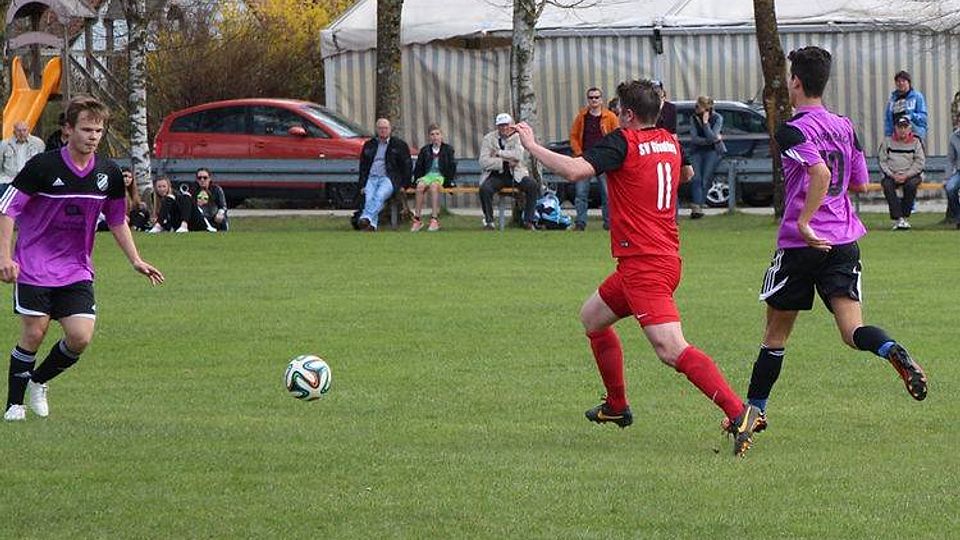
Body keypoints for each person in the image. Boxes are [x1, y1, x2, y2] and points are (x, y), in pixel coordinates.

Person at [514, 79, 763, 457]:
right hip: (658, 259)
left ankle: (738, 412)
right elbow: (685, 177)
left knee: (670, 348)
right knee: (593, 318)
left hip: (645, 264)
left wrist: (532, 146)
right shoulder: (670, 140)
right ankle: (617, 408)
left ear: (627, 114)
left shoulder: (622, 142)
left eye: (619, 112)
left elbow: (576, 171)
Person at [747, 47, 927, 437]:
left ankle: (753, 413)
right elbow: (859, 182)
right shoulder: (846, 126)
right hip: (844, 241)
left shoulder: (791, 128)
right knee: (852, 332)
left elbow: (821, 173)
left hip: (801, 243)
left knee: (775, 337)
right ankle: (891, 348)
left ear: (795, 82)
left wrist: (807, 220)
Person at [0, 95, 164, 422]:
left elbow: (117, 220)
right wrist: (5, 256)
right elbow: (7, 209)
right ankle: (14, 405)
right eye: (86, 129)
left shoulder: (109, 174)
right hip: (34, 263)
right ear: (67, 130)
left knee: (80, 337)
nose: (93, 137)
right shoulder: (43, 167)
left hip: (76, 268)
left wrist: (135, 259)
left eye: (98, 130)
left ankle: (38, 381)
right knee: (34, 333)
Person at [478, 113, 540, 230]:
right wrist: (504, 162)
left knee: (532, 185)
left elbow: (518, 156)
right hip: (496, 174)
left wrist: (498, 153)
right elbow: (483, 161)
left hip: (516, 173)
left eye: (506, 125)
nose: (504, 128)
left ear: (511, 125)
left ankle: (528, 221)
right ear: (497, 127)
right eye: (501, 126)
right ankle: (489, 222)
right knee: (485, 189)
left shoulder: (518, 137)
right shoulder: (488, 138)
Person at [569, 87, 618, 231]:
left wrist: (610, 155)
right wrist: (578, 153)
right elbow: (573, 136)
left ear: (601, 99)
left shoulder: (610, 117)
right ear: (588, 100)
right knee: (581, 193)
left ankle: (609, 222)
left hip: (603, 160)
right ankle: (580, 222)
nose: (594, 100)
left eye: (597, 97)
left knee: (607, 194)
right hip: (585, 160)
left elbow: (617, 136)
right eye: (591, 98)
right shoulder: (582, 116)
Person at [356, 118, 412, 232]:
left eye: (385, 128)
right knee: (369, 198)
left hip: (389, 178)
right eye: (380, 128)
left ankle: (365, 217)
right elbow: (363, 166)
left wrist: (404, 185)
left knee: (380, 195)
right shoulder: (369, 145)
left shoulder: (399, 145)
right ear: (377, 130)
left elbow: (407, 166)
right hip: (371, 178)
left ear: (390, 130)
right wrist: (362, 184)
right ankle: (372, 225)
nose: (383, 131)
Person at [878, 115, 925, 230]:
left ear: (909, 128)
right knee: (887, 185)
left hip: (911, 175)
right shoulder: (887, 142)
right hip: (892, 174)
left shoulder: (916, 142)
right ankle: (898, 218)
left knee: (911, 185)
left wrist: (906, 175)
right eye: (900, 127)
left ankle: (904, 216)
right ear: (895, 128)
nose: (902, 130)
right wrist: (891, 174)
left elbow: (920, 162)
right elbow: (882, 161)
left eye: (905, 127)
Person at [411, 124, 456, 232]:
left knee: (434, 186)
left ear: (441, 136)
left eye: (437, 134)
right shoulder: (425, 150)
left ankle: (434, 219)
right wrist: (417, 179)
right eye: (432, 134)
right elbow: (419, 167)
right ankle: (417, 219)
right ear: (429, 137)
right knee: (420, 186)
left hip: (440, 175)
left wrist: (449, 181)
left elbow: (451, 166)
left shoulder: (448, 149)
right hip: (428, 175)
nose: (435, 137)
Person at [687, 95, 725, 219]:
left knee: (706, 178)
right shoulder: (693, 118)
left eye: (698, 106)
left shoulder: (717, 118)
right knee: (696, 178)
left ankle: (699, 204)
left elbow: (712, 136)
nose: (696, 108)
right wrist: (710, 140)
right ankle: (697, 206)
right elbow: (695, 138)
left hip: (712, 151)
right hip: (697, 151)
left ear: (706, 108)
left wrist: (705, 123)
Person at [148, 177, 214, 233]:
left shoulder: (176, 195)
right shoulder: (153, 198)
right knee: (169, 199)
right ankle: (158, 226)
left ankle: (184, 225)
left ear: (168, 187)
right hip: (175, 225)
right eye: (159, 187)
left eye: (164, 186)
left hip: (194, 221)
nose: (162, 189)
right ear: (156, 188)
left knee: (186, 196)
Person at [0, 121, 45, 194]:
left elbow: (42, 164)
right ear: (14, 132)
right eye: (19, 131)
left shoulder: (38, 143)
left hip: (30, 180)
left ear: (28, 130)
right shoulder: (4, 144)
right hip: (9, 180)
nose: (22, 133)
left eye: (24, 130)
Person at [884, 70, 927, 142]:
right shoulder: (892, 100)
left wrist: (911, 115)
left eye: (903, 81)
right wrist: (888, 136)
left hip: (914, 137)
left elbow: (923, 118)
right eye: (898, 81)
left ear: (909, 83)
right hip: (896, 138)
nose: (901, 83)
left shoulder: (917, 97)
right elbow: (888, 120)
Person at [946, 120, 960, 228]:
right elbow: (950, 160)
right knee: (950, 188)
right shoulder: (953, 137)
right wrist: (947, 177)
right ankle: (958, 217)